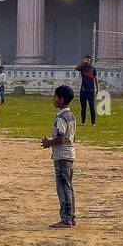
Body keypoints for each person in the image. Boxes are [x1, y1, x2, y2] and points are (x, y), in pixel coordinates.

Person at [40, 84, 77, 229]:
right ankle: (71, 216)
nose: (53, 99)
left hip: (62, 155)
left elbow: (61, 138)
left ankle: (66, 218)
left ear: (61, 99)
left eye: (55, 97)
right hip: (70, 154)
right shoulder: (71, 115)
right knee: (68, 187)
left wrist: (49, 142)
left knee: (63, 187)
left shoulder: (61, 117)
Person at [75, 54, 98, 126]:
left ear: (90, 61)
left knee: (92, 107)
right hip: (83, 90)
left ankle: (93, 122)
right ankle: (83, 122)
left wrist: (97, 88)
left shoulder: (93, 68)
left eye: (88, 60)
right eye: (86, 60)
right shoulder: (82, 68)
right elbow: (76, 68)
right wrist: (83, 63)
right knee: (83, 107)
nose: (87, 61)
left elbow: (95, 78)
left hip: (91, 90)